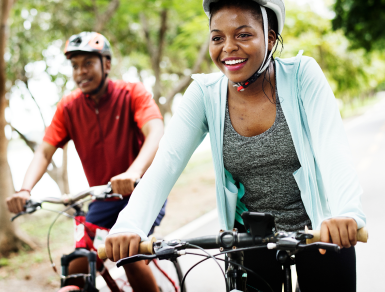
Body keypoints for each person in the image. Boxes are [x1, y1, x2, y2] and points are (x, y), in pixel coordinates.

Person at [105, 1, 366, 291]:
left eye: (243, 35)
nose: (228, 47)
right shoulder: (204, 95)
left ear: (269, 37)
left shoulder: (302, 75)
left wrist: (346, 213)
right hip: (251, 238)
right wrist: (129, 224)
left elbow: (333, 150)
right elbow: (166, 162)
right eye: (217, 37)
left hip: (320, 230)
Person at [6, 32, 165, 292]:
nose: (80, 71)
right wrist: (25, 190)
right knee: (77, 265)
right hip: (103, 197)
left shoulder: (132, 93)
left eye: (88, 63)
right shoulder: (69, 107)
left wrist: (133, 172)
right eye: (75, 66)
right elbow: (44, 152)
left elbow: (156, 132)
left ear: (107, 64)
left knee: (126, 251)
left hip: (143, 190)